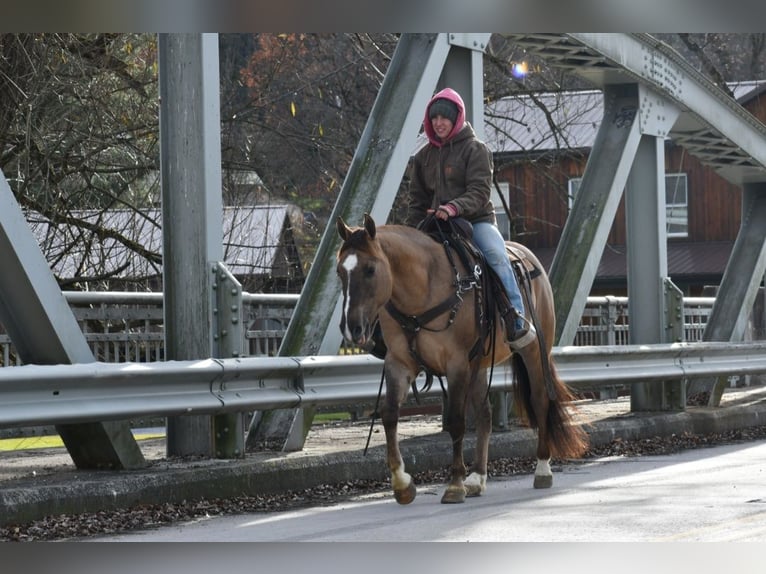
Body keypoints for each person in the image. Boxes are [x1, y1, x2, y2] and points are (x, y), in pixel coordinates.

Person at [405, 87, 536, 349]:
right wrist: (410, 232)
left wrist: (452, 207)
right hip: (436, 224)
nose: (439, 123)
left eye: (444, 118)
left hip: (475, 222)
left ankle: (516, 317)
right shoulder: (423, 156)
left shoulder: (476, 149)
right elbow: (417, 200)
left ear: (456, 118)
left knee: (496, 256)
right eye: (434, 118)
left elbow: (479, 192)